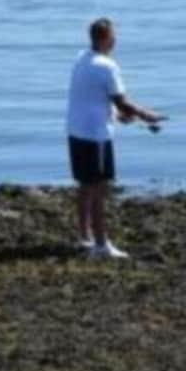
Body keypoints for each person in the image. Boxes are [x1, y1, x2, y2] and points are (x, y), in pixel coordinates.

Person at [65, 17, 164, 260]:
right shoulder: (107, 66)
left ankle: (85, 237)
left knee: (85, 186)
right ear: (104, 39)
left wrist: (119, 115)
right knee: (99, 189)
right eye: (113, 36)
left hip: (76, 130)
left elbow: (96, 96)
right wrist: (146, 114)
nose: (116, 40)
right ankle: (101, 246)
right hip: (95, 135)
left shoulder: (81, 58)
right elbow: (122, 101)